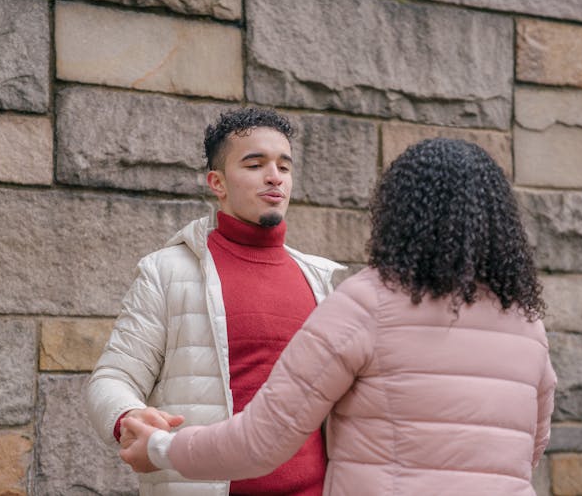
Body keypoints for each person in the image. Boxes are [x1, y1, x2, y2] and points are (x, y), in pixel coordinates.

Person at [119, 138, 558, 495]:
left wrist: (161, 447)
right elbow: (530, 449)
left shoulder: (365, 303)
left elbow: (264, 440)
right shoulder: (526, 322)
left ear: (398, 212)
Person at [87, 107, 344, 495]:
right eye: (255, 164)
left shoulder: (321, 281)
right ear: (217, 182)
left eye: (284, 167)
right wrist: (128, 416)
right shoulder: (166, 272)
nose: (275, 176)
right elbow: (113, 377)